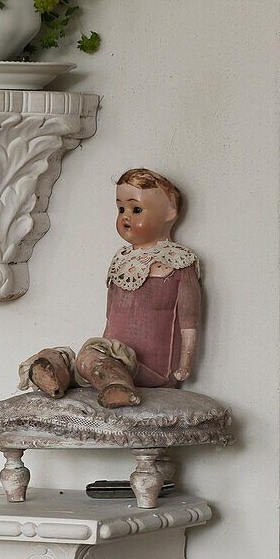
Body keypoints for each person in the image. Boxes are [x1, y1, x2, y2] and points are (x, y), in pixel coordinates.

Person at [18, 168, 201, 408]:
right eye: (121, 209)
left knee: (89, 358)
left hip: (153, 371)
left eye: (136, 209)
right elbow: (110, 319)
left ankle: (119, 387)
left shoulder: (178, 264)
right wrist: (99, 353)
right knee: (67, 358)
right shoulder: (121, 261)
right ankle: (53, 373)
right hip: (110, 357)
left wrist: (184, 366)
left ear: (169, 213)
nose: (126, 216)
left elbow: (189, 324)